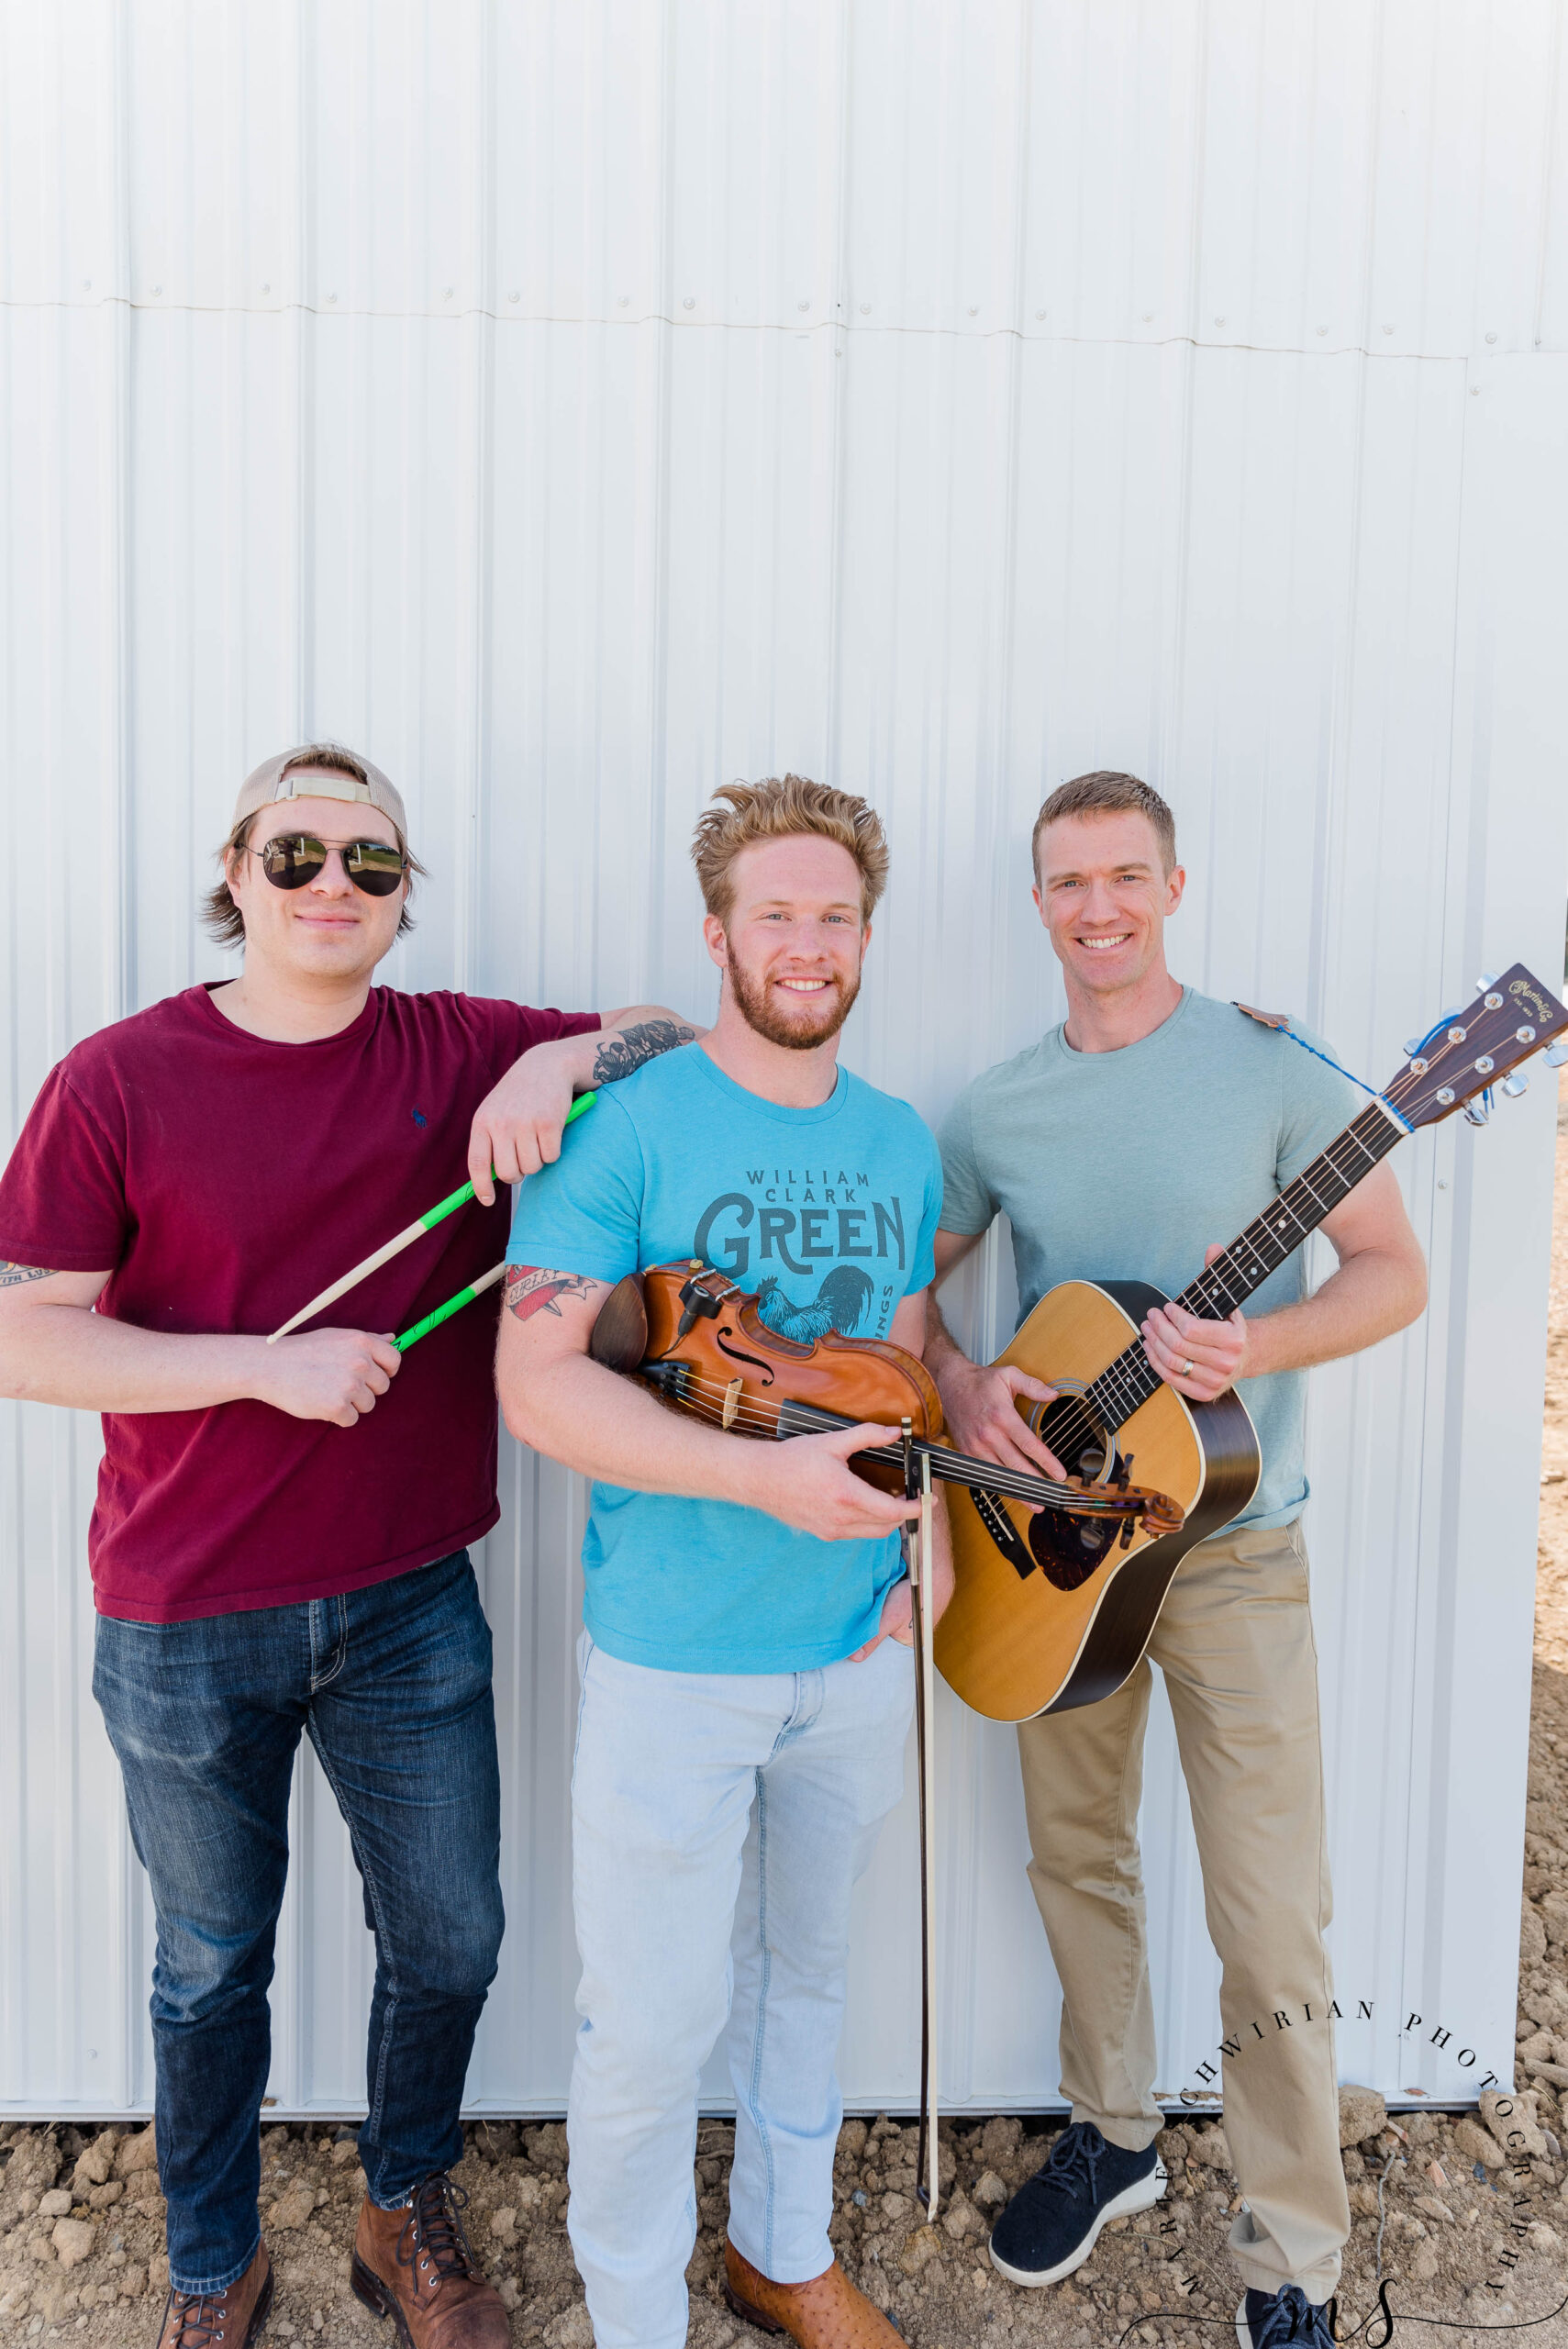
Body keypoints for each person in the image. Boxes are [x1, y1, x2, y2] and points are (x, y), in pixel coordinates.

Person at [0, 742, 700, 2349]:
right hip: (181, 1612)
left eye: (371, 863)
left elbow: (680, 1035)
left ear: (403, 898)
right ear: (235, 876)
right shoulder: (116, 1077)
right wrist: (257, 1362)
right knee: (208, 1964)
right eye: (297, 853)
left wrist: (567, 1058)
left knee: (452, 1935)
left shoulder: (463, 1045)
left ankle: (402, 2210)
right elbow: (25, 1338)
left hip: (407, 1603)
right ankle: (207, 2260)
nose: (334, 885)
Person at [924, 771, 1428, 2349]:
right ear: (1037, 903)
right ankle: (1115, 2131)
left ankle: (1290, 2258)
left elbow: (1392, 1272)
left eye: (1125, 877)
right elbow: (909, 1305)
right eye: (1068, 882)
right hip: (1058, 1547)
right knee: (1076, 1861)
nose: (1098, 909)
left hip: (1232, 1554)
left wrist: (1255, 1341)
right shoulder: (993, 1108)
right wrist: (962, 1384)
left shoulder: (1270, 1067)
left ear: (1173, 886)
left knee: (1270, 1912)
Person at [495, 776, 950, 2349]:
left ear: (865, 937)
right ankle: (634, 2322)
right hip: (675, 1659)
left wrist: (923, 1544)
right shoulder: (624, 1124)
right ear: (718, 934)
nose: (807, 944)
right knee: (649, 2025)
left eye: (834, 916)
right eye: (778, 913)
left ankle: (782, 2250)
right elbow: (536, 1379)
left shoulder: (898, 1142)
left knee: (804, 1982)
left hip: (850, 1654)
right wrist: (761, 1481)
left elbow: (897, 1375)